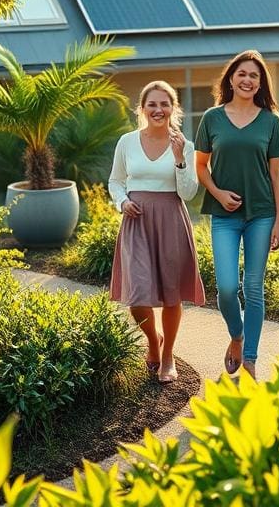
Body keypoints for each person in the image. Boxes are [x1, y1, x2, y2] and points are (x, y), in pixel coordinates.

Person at [195, 50, 279, 378]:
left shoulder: (270, 121)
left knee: (254, 286)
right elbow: (201, 166)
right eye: (242, 74)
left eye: (255, 76)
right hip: (224, 215)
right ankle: (237, 334)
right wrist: (218, 193)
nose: (248, 80)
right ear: (231, 78)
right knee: (227, 287)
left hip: (261, 213)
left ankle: (250, 360)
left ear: (261, 83)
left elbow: (277, 174)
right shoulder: (212, 118)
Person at [108, 80, 205, 384]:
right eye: (152, 104)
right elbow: (115, 181)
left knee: (172, 293)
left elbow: (189, 192)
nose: (158, 109)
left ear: (174, 108)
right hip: (136, 223)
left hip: (171, 221)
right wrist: (122, 202)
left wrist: (179, 159)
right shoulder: (126, 142)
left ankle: (168, 356)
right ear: (142, 108)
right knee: (137, 297)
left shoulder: (184, 145)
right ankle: (153, 340)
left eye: (165, 104)